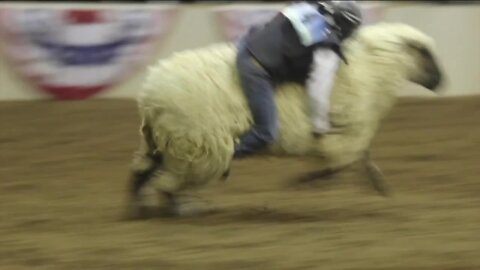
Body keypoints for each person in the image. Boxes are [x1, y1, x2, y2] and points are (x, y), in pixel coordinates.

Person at [233, 0, 363, 159]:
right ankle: (226, 156)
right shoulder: (327, 49)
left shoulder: (307, 8)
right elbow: (318, 89)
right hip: (256, 69)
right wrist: (319, 124)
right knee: (266, 133)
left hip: (246, 46)